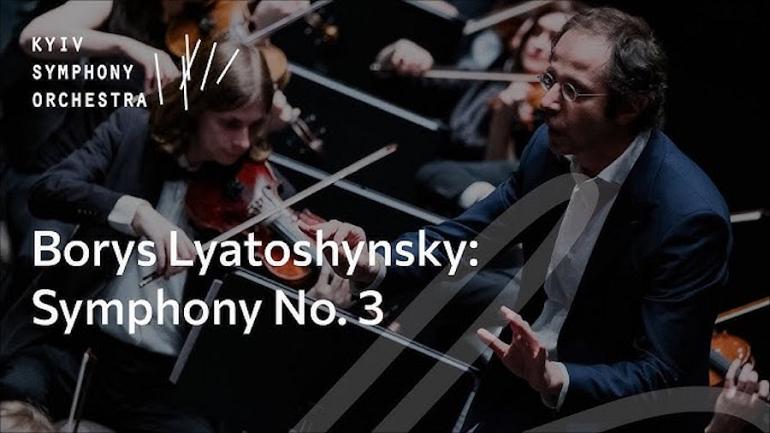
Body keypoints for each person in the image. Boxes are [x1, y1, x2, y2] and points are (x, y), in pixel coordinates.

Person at [303, 7, 731, 432]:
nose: (547, 102)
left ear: (631, 107)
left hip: (603, 407)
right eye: (549, 80)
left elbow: (662, 375)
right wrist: (375, 261)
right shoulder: (550, 148)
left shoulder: (689, 219)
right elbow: (472, 235)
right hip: (522, 371)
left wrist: (555, 377)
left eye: (573, 91)